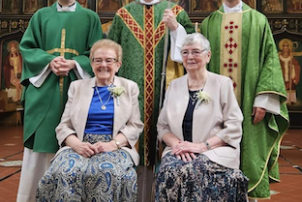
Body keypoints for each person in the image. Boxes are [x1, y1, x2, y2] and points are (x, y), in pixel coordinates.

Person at [200, 0, 289, 200]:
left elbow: (270, 61)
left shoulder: (258, 20)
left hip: (250, 103)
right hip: (216, 105)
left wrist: (263, 100)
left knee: (249, 154)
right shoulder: (209, 23)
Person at [36, 39, 144, 201]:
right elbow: (64, 126)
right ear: (92, 64)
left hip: (115, 147)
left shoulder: (129, 87)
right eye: (98, 60)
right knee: (65, 172)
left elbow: (134, 125)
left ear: (118, 64)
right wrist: (77, 145)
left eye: (109, 60)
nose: (103, 65)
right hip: (80, 144)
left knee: (106, 172)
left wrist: (112, 144)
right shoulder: (77, 87)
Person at [17, 0, 103, 201]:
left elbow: (98, 52)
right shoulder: (40, 16)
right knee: (40, 146)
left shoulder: (90, 18)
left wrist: (75, 63)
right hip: (45, 89)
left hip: (78, 88)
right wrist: (49, 62)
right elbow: (28, 48)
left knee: (77, 139)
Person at [155, 33, 248, 201]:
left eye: (196, 52)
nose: (190, 56)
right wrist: (178, 145)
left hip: (215, 150)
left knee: (193, 170)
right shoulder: (174, 86)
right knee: (169, 171)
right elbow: (162, 127)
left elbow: (234, 125)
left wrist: (200, 146)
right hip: (179, 150)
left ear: (208, 56)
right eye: (185, 52)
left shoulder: (222, 83)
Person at [108, 0, 194, 167]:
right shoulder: (123, 14)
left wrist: (176, 28)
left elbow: (194, 50)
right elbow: (109, 53)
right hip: (130, 91)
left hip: (165, 89)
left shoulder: (176, 12)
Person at [279, 39, 301, 104]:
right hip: (282, 76)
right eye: (284, 46)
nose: (285, 48)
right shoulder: (279, 58)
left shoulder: (292, 58)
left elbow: (297, 67)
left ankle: (291, 100)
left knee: (291, 87)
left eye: (287, 46)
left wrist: (293, 67)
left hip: (290, 76)